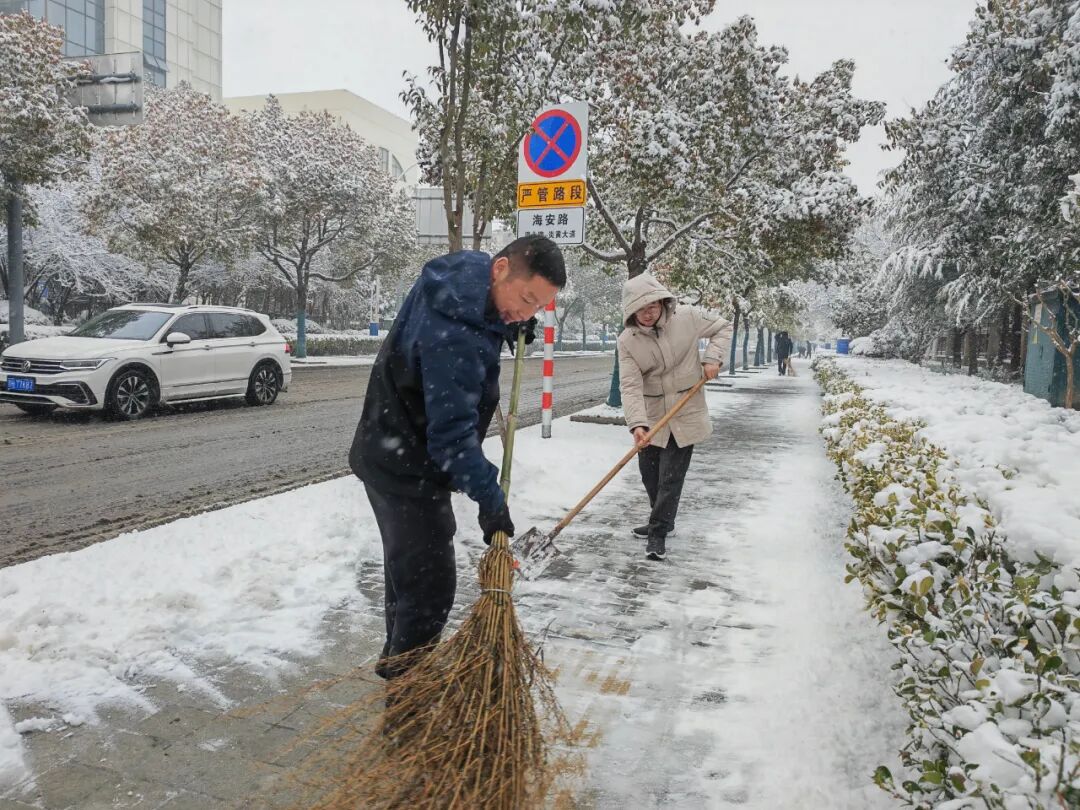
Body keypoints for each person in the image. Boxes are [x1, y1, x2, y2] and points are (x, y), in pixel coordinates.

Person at [349, 235, 566, 678]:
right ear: (501, 268)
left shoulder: (462, 277)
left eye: (537, 309)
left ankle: (398, 668)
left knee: (409, 575)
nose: (526, 314)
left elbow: (486, 317)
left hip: (390, 448)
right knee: (429, 590)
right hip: (407, 466)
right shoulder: (456, 335)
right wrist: (492, 502)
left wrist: (508, 324)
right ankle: (407, 702)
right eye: (526, 300)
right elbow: (451, 441)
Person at [618, 274, 732, 561]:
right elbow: (630, 386)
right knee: (650, 475)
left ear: (662, 302)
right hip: (654, 414)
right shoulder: (627, 341)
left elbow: (723, 327)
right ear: (631, 311)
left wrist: (712, 359)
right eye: (642, 308)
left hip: (685, 409)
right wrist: (638, 425)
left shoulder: (688, 317)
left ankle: (658, 533)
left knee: (671, 477)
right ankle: (663, 519)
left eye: (654, 305)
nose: (649, 312)